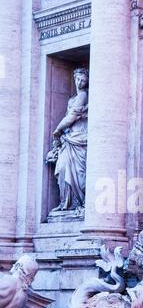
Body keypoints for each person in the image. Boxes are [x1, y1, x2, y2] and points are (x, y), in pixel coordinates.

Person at [46, 68, 89, 212]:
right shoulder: (73, 97)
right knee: (63, 167)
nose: (80, 83)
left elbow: (72, 117)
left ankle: (77, 202)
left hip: (79, 137)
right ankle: (66, 203)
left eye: (83, 80)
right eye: (77, 79)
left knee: (78, 172)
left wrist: (57, 130)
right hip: (69, 138)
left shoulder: (83, 96)